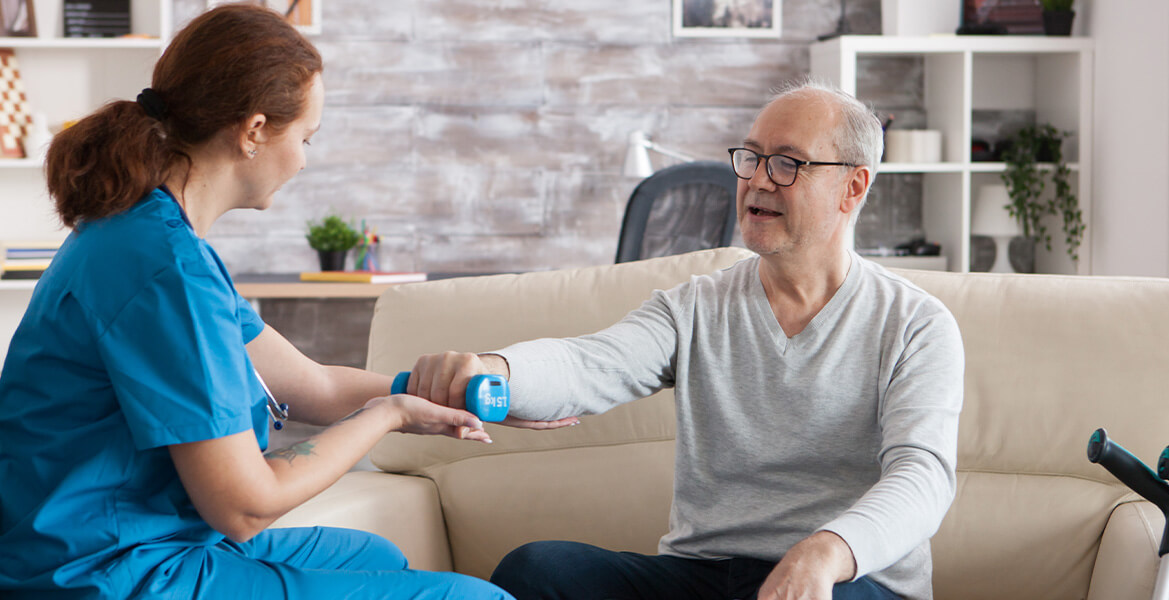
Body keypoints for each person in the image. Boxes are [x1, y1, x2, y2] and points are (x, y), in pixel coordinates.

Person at [0, 5, 520, 598]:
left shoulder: (151, 234)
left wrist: (442, 396)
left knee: (377, 554)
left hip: (100, 540)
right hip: (107, 571)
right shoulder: (167, 270)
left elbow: (314, 385)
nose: (304, 160)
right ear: (254, 130)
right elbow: (245, 506)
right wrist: (387, 414)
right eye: (305, 138)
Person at [405, 80, 964, 600]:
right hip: (705, 575)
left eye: (787, 163)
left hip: (848, 581)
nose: (758, 180)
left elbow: (922, 477)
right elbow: (589, 363)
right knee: (536, 570)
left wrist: (828, 551)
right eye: (751, 157)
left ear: (853, 186)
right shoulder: (695, 307)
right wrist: (494, 369)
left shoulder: (915, 324)